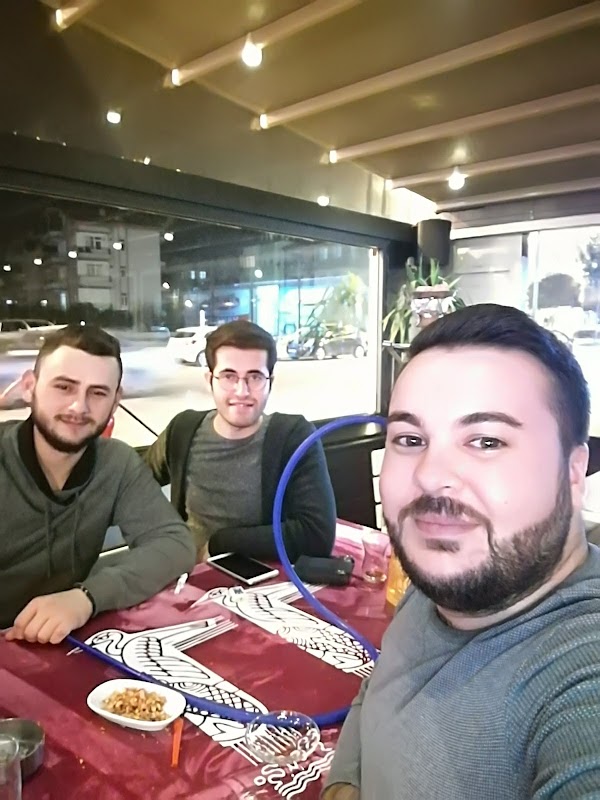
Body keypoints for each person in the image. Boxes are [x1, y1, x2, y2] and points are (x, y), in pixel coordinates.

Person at [324, 304, 600, 799]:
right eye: (410, 439)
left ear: (574, 471)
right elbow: (382, 685)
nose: (430, 476)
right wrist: (344, 783)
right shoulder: (445, 579)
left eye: (487, 441)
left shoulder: (581, 673)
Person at [0, 324, 195, 645]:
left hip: (63, 641)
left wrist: (86, 597)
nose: (79, 407)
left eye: (98, 393)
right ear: (29, 387)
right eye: (64, 387)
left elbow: (174, 544)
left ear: (116, 400)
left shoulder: (115, 463)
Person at [145, 320, 336, 563]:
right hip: (187, 575)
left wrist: (220, 544)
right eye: (229, 376)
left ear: (270, 382)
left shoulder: (293, 437)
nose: (242, 391)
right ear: (209, 380)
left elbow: (317, 536)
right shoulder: (182, 430)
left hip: (263, 580)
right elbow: (133, 486)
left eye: (255, 377)